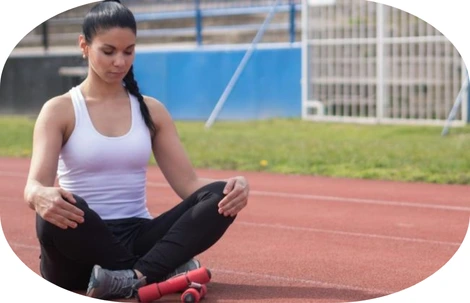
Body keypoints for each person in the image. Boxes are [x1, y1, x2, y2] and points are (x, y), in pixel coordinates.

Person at [23, 0, 249, 300]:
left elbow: (189, 186)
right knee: (56, 210)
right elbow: (33, 187)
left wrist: (236, 188)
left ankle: (134, 277)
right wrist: (40, 195)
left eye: (128, 51)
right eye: (109, 51)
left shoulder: (151, 110)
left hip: (138, 237)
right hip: (78, 248)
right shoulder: (59, 110)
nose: (120, 61)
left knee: (219, 194)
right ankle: (162, 270)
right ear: (84, 46)